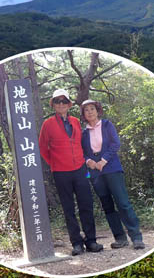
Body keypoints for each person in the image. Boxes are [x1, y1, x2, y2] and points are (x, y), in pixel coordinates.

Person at [38, 89, 104, 256]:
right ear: (53, 104)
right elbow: (42, 148)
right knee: (69, 208)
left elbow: (81, 143)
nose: (61, 104)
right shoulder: (48, 124)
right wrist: (54, 163)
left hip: (80, 170)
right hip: (61, 172)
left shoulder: (75, 121)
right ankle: (76, 243)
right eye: (57, 101)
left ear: (68, 104)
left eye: (64, 101)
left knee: (86, 204)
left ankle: (91, 241)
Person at [81, 99, 145, 250]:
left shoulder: (107, 125)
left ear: (98, 110)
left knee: (123, 202)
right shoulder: (83, 133)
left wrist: (103, 160)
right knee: (107, 206)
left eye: (92, 109)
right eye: (86, 110)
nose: (90, 112)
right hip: (95, 173)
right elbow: (80, 152)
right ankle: (120, 238)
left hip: (112, 168)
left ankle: (136, 237)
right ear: (83, 114)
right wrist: (89, 161)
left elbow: (115, 143)